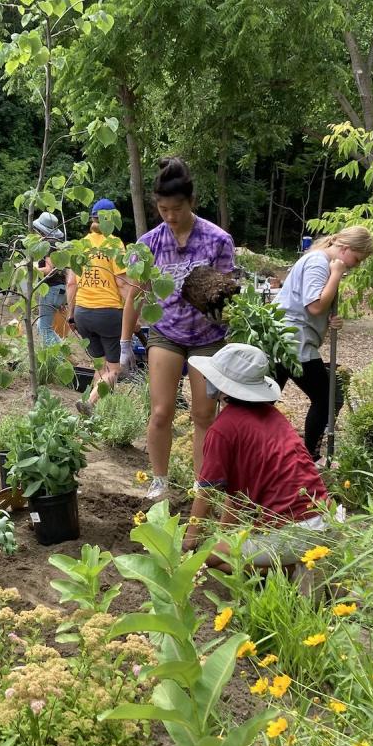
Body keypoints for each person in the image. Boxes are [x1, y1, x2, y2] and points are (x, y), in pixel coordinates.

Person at [122, 157, 236, 500]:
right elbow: (136, 295)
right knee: (161, 411)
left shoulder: (217, 240)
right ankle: (159, 480)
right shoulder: (149, 244)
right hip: (166, 332)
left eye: (177, 208)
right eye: (162, 208)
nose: (170, 216)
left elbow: (230, 296)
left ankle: (203, 486)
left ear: (192, 202)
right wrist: (125, 343)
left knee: (204, 414)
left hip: (208, 336)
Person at [182, 344, 330, 571]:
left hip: (292, 531)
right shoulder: (273, 417)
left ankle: (283, 568)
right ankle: (290, 565)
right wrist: (224, 536)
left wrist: (189, 545)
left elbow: (207, 491)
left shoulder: (223, 429)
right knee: (224, 548)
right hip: (324, 520)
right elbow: (238, 496)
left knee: (206, 562)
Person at [274, 226, 373, 459]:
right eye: (356, 259)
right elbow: (315, 305)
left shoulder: (319, 261)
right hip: (292, 341)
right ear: (345, 248)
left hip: (285, 339)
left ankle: (262, 454)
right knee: (326, 397)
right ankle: (310, 458)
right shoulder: (318, 262)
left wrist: (330, 320)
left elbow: (314, 307)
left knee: (263, 399)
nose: (355, 265)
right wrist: (337, 273)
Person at [66, 199, 132, 413]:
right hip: (108, 313)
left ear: (92, 218)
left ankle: (91, 413)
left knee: (100, 366)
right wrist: (135, 316)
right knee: (114, 370)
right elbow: (122, 284)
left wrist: (71, 314)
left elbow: (71, 283)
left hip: (83, 313)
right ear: (111, 219)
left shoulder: (80, 246)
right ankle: (90, 404)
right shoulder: (114, 244)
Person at [31, 212, 68, 345]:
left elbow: (49, 269)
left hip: (51, 289)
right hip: (59, 289)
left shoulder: (49, 244)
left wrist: (30, 269)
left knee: (45, 328)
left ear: (41, 230)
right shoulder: (58, 244)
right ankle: (61, 352)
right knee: (42, 324)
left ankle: (59, 358)